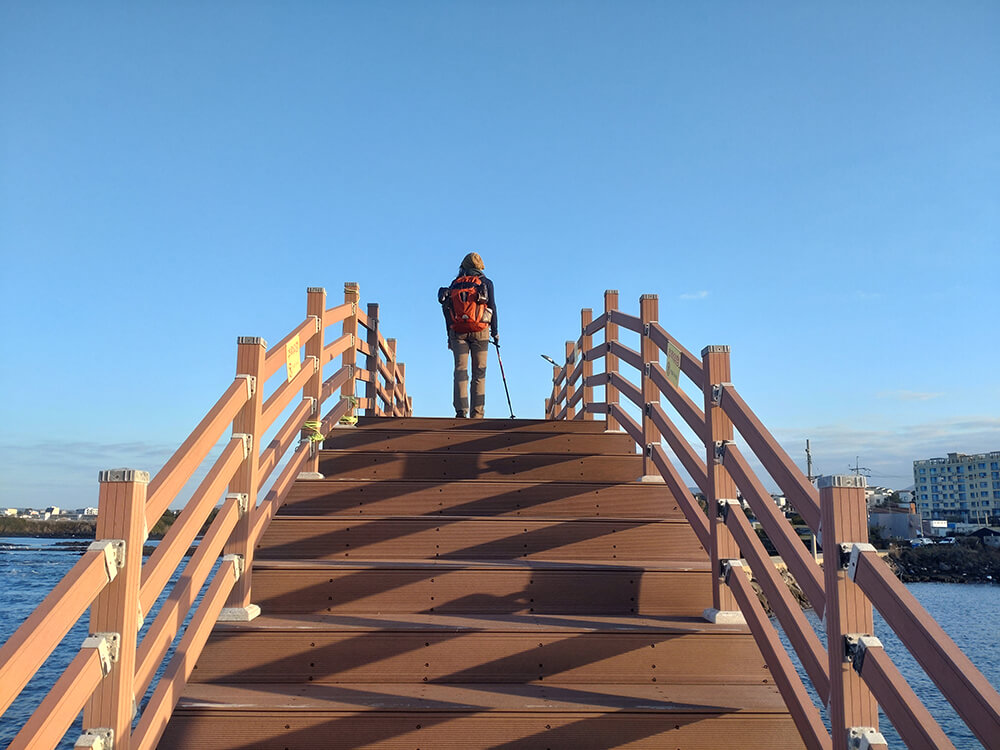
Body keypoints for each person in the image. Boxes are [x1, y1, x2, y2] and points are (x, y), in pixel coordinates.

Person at [439, 252, 499, 418]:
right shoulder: (486, 282)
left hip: (458, 331)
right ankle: (477, 414)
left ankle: (460, 411)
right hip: (481, 331)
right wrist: (495, 332)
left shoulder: (454, 284)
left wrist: (449, 335)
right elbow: (492, 307)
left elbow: (447, 310)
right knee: (479, 373)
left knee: (460, 370)